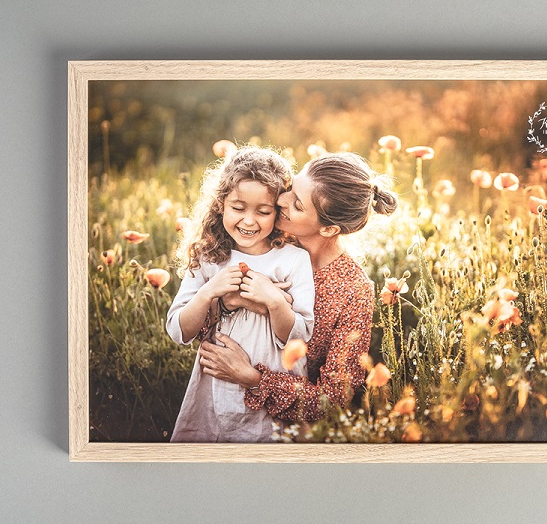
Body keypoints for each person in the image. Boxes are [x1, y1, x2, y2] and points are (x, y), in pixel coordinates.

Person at [195, 152, 398, 423]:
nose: (280, 200)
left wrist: (251, 377)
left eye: (297, 205)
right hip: (214, 402)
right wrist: (228, 303)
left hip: (284, 430)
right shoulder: (261, 234)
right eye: (291, 189)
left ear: (328, 229)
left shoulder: (352, 289)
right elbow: (195, 328)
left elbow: (333, 401)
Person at [166, 147, 315, 442]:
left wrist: (272, 299)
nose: (249, 221)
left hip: (269, 391)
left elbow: (298, 338)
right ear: (221, 204)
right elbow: (177, 330)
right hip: (213, 390)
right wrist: (209, 291)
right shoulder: (209, 258)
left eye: (263, 211)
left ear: (278, 211)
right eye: (238, 207)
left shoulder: (293, 260)